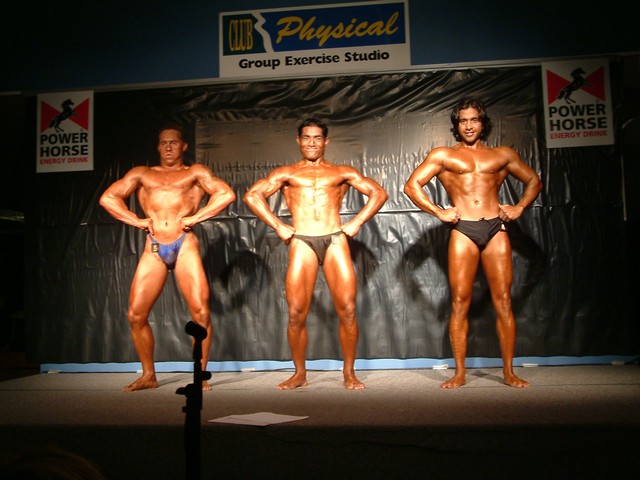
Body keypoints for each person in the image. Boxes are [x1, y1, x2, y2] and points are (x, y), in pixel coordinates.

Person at [404, 99, 542, 389]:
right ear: (456, 125)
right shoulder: (443, 155)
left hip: (495, 228)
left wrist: (519, 207)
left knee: (503, 301)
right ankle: (459, 373)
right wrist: (438, 212)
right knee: (459, 302)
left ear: (483, 122)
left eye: (474, 120)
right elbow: (411, 185)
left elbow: (534, 181)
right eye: (463, 120)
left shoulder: (502, 154)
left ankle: (509, 372)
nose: (469, 126)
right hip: (463, 229)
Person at [244, 118, 388, 390]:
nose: (312, 142)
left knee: (347, 310)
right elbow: (252, 195)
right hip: (302, 240)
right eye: (307, 137)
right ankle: (299, 374)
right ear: (298, 141)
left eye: (317, 138)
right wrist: (278, 225)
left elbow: (378, 193)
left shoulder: (341, 172)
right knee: (296, 313)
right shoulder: (287, 173)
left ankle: (349, 373)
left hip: (334, 239)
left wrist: (357, 222)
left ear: (326, 141)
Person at [99, 126, 236, 392]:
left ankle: (200, 375)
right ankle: (148, 376)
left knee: (201, 313)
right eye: (163, 143)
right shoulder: (142, 173)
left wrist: (196, 217)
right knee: (135, 314)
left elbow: (226, 194)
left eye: (174, 143)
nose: (168, 147)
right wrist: (136, 220)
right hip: (153, 246)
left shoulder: (195, 172)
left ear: (184, 146)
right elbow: (108, 198)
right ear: (158, 147)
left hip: (185, 245)